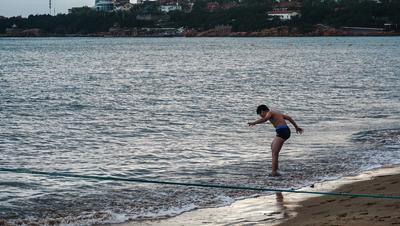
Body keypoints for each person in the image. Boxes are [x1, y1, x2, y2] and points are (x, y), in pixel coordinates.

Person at [248, 104, 303, 176]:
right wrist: (296, 127)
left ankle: (274, 172)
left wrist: (254, 123)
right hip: (283, 131)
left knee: (274, 153)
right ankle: (275, 170)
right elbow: (289, 118)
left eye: (260, 114)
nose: (261, 116)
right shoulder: (276, 113)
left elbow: (265, 119)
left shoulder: (270, 113)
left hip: (282, 131)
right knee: (273, 147)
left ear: (262, 111)